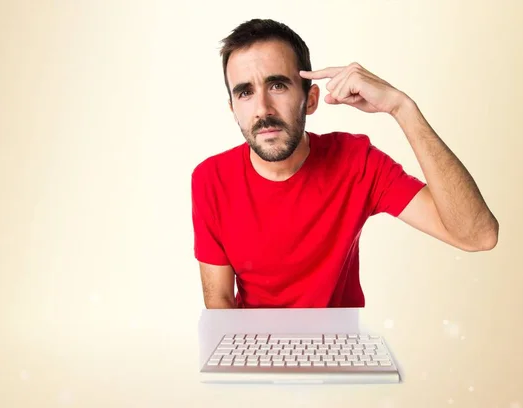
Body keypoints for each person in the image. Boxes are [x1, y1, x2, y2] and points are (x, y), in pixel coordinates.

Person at [191, 19, 499, 309]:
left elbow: (477, 235)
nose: (262, 109)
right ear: (233, 109)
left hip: (341, 348)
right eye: (245, 92)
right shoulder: (210, 179)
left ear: (310, 99)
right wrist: (250, 362)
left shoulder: (356, 161)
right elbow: (219, 302)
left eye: (278, 85)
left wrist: (401, 107)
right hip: (257, 350)